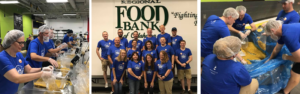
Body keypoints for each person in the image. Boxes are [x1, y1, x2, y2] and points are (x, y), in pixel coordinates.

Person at [264, 20, 300, 94]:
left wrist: (286, 57)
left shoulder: (288, 36)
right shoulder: (282, 29)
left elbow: (299, 59)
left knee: (295, 72)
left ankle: (285, 92)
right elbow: (277, 49)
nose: (271, 36)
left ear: (272, 30)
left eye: (270, 35)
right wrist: (269, 59)